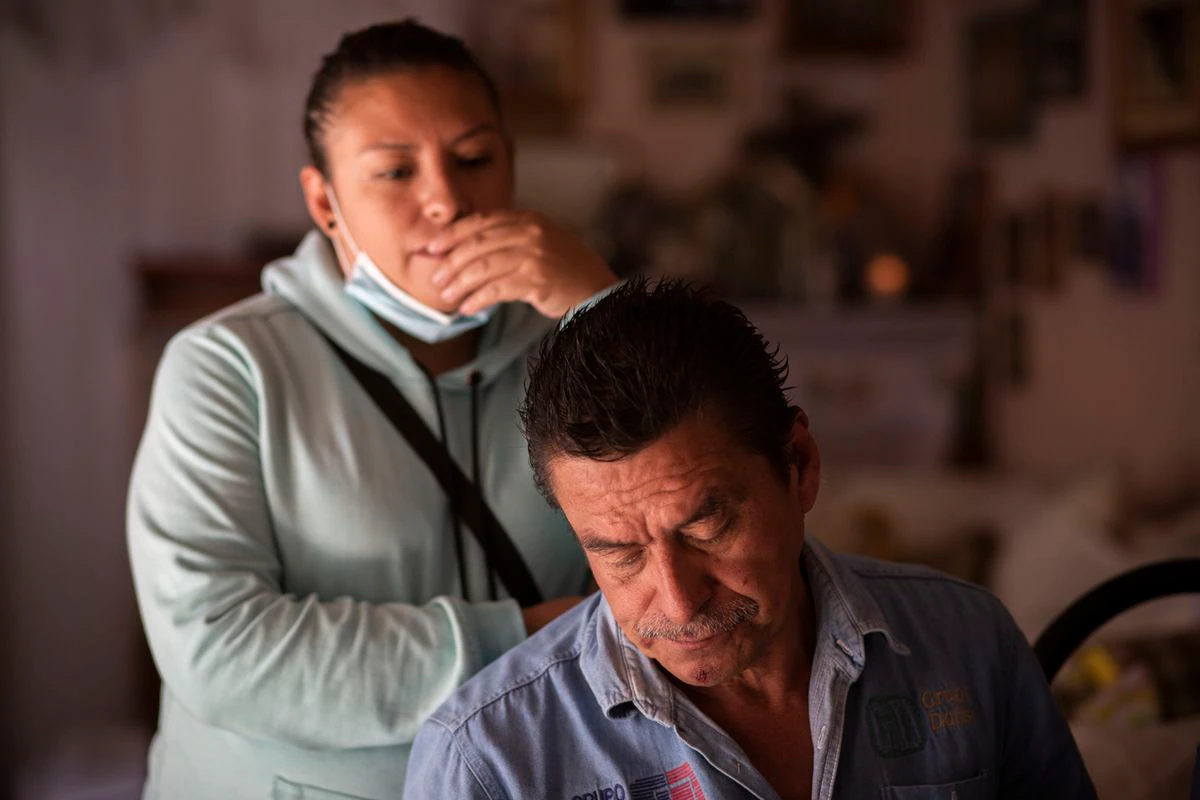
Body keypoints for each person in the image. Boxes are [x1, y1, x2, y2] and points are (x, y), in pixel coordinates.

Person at [126, 19, 616, 800]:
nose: (447, 201)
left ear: (513, 167)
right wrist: (528, 638)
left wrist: (605, 308)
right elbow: (221, 650)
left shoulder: (581, 344)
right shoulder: (225, 368)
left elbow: (706, 518)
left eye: (475, 159)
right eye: (395, 172)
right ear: (324, 199)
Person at [404, 278, 1098, 800]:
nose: (677, 603)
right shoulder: (488, 761)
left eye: (708, 528)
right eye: (619, 552)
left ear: (798, 467)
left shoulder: (970, 644)